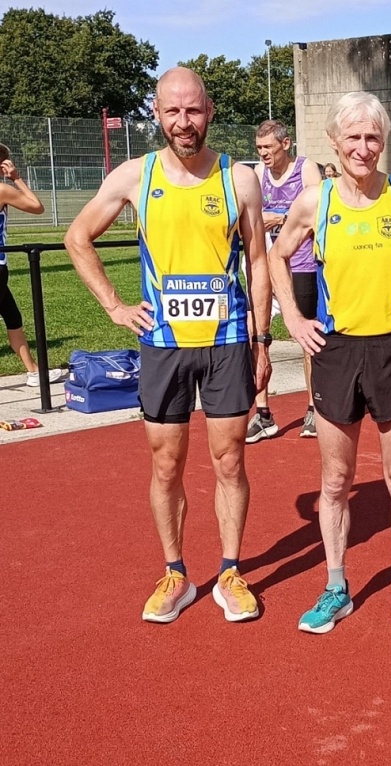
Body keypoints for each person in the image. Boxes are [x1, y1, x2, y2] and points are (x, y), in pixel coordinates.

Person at [63, 67, 272, 624]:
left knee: (229, 459)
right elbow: (77, 236)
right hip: (163, 344)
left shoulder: (240, 179)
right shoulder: (136, 176)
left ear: (210, 112)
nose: (185, 122)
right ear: (157, 114)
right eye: (173, 111)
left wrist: (262, 339)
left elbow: (257, 260)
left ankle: (230, 570)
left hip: (228, 342)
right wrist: (114, 305)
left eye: (194, 110)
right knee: (166, 463)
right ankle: (176, 573)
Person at [269, 91, 391, 637]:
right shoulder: (313, 202)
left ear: (384, 142)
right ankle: (335, 586)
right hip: (337, 351)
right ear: (334, 141)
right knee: (335, 480)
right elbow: (277, 256)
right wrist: (294, 321)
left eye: (373, 138)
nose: (363, 148)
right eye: (353, 137)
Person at [245, 119, 323, 443]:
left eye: (268, 148)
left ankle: (313, 408)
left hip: (301, 265)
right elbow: (248, 217)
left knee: (307, 337)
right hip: (265, 268)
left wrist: (281, 218)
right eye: (259, 148)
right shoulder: (258, 176)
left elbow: (318, 212)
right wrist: (281, 218)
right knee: (254, 334)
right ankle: (263, 413)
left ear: (286, 144)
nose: (263, 154)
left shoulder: (306, 171)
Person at [0, 145, 66, 388]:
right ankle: (34, 372)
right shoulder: (3, 190)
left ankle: (34, 371)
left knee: (12, 317)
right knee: (11, 317)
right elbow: (37, 207)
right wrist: (17, 178)